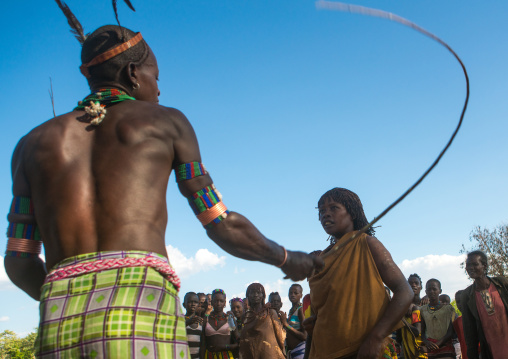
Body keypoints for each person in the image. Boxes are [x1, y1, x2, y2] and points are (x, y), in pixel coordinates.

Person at [3, 11, 323, 358]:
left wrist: (68, 298)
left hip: (60, 322)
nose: (159, 88)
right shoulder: (167, 123)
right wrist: (287, 258)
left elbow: (19, 259)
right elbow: (220, 223)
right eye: (156, 76)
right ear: (133, 73)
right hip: (142, 307)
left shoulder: (30, 146)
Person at [305, 187, 413, 359]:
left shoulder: (367, 244)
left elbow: (405, 291)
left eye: (333, 208)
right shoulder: (321, 259)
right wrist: (312, 327)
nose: (325, 214)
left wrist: (376, 338)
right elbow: (322, 312)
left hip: (362, 351)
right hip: (323, 351)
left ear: (352, 213)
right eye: (322, 211)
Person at [461, 250, 508, 359]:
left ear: (484, 266)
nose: (470, 268)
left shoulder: (502, 284)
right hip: (491, 351)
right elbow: (470, 332)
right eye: (468, 265)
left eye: (475, 264)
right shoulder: (467, 295)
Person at [239, 283, 286, 359]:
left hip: (269, 354)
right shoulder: (245, 316)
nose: (255, 295)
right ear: (248, 296)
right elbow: (243, 339)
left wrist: (283, 353)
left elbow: (279, 335)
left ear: (263, 295)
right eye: (252, 292)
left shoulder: (270, 313)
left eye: (258, 292)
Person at [420, 279, 457, 359]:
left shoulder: (448, 309)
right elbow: (422, 332)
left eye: (434, 289)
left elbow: (450, 332)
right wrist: (426, 342)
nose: (431, 291)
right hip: (431, 348)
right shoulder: (423, 310)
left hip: (446, 347)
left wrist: (436, 345)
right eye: (429, 289)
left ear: (440, 291)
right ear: (426, 292)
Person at [201, 289, 238, 359]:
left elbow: (237, 342)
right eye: (215, 301)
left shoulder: (229, 319)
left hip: (226, 356)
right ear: (211, 302)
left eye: (221, 301)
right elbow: (203, 344)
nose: (218, 303)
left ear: (225, 303)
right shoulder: (206, 320)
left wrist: (223, 347)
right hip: (209, 356)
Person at [399, 274, 427, 359]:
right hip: (406, 351)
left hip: (422, 352)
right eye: (410, 283)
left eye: (416, 283)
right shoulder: (402, 307)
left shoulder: (426, 304)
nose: (413, 285)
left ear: (421, 287)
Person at [281, 284, 307, 359]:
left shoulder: (300, 310)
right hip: (292, 352)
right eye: (290, 293)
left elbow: (304, 336)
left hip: (300, 350)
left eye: (296, 293)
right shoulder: (291, 311)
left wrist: (286, 325)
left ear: (301, 295)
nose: (292, 295)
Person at [185, 292, 205, 359]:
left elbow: (202, 345)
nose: (193, 304)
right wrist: (187, 322)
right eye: (190, 302)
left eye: (195, 302)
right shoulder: (180, 320)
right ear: (184, 304)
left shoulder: (200, 322)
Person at [452, 290, 468, 359]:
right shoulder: (457, 322)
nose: (460, 304)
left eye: (462, 300)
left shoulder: (478, 318)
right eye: (458, 302)